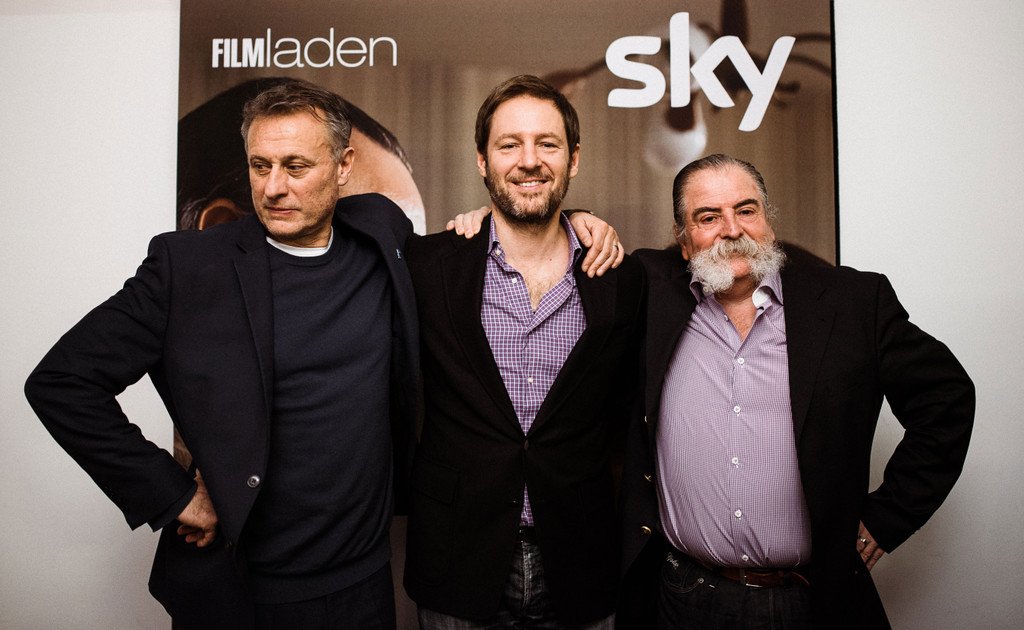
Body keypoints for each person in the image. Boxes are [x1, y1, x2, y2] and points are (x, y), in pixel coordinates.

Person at [25, 78, 622, 629]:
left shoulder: (381, 232)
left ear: (343, 168)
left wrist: (576, 222)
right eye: (260, 166)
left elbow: (512, 223)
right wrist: (171, 493)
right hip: (238, 588)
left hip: (362, 586)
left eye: (296, 166)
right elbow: (62, 381)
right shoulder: (189, 268)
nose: (273, 187)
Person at [619, 154, 975, 628]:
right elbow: (570, 260)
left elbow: (946, 398)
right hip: (683, 595)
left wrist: (888, 517)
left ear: (768, 221)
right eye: (708, 217)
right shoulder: (653, 293)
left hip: (808, 599)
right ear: (683, 242)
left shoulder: (852, 303)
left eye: (746, 210)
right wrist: (577, 220)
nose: (732, 229)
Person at [403, 75, 645, 629]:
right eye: (509, 144)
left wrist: (585, 219)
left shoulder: (621, 278)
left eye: (548, 144)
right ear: (482, 161)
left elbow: (628, 411)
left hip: (582, 560)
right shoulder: (428, 266)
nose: (529, 160)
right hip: (456, 557)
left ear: (574, 159)